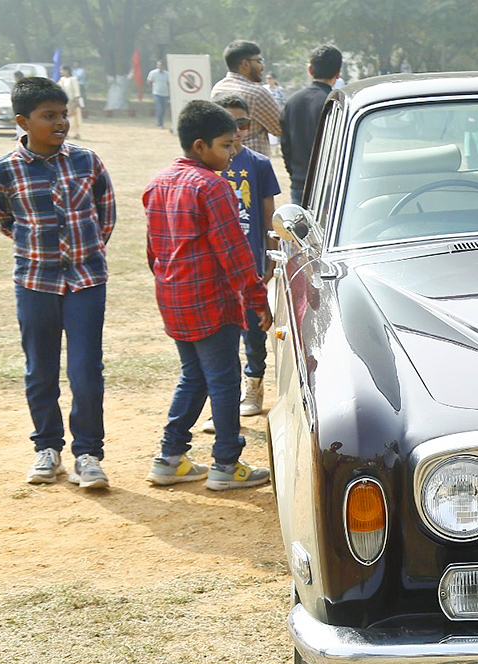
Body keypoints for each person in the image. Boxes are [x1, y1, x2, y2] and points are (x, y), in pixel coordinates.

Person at [0, 77, 115, 488]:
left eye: (63, 114)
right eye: (49, 116)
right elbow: (6, 222)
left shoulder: (86, 161)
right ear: (23, 121)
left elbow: (105, 214)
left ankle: (88, 455)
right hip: (35, 282)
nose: (61, 123)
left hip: (86, 281)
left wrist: (81, 252)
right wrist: (45, 253)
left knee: (85, 371)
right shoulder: (3, 171)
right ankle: (48, 449)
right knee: (39, 370)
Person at [142, 99, 272, 490]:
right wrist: (256, 298)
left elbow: (153, 251)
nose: (232, 153)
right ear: (200, 147)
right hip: (211, 301)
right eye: (225, 145)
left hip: (173, 298)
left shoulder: (157, 183)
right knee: (223, 379)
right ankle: (226, 465)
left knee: (194, 376)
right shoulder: (212, 186)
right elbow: (235, 253)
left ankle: (170, 456)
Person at [208, 94, 279, 423]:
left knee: (254, 332)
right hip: (214, 269)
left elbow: (268, 217)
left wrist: (271, 258)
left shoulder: (259, 164)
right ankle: (224, 396)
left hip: (249, 265)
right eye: (228, 123)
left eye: (242, 124)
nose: (236, 131)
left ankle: (255, 385)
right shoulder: (206, 165)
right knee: (220, 336)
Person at [280, 44, 341, 204]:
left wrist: (295, 173)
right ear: (338, 73)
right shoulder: (335, 103)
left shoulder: (292, 102)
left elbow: (286, 145)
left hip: (301, 184)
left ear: (310, 70)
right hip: (330, 186)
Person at [210, 40, 280, 156]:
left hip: (224, 161)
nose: (262, 67)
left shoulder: (218, 88)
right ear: (245, 64)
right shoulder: (257, 93)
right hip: (252, 163)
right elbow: (280, 128)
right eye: (258, 61)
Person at [58, 67, 84, 139]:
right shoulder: (62, 80)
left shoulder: (73, 79)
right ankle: (67, 133)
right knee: (66, 117)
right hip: (64, 102)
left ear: (67, 71)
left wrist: (76, 100)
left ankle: (76, 133)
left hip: (72, 101)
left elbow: (76, 91)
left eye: (62, 70)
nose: (61, 72)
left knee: (74, 117)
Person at [146, 60, 171, 130]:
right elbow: (149, 82)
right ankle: (160, 123)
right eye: (158, 65)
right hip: (156, 93)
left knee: (163, 109)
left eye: (161, 65)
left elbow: (169, 83)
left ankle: (160, 121)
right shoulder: (153, 73)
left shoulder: (167, 74)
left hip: (165, 94)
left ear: (163, 66)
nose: (159, 67)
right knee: (159, 108)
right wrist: (152, 89)